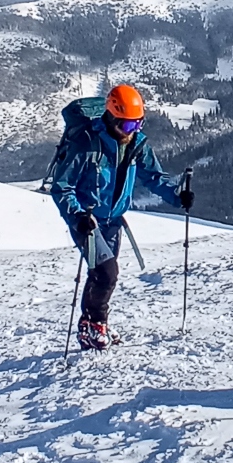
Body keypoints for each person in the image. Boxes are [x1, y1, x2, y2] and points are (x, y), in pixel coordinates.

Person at [48, 84, 190, 349]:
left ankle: (93, 325)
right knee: (106, 271)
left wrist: (177, 195)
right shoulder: (86, 144)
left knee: (102, 274)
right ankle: (93, 326)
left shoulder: (137, 143)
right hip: (87, 220)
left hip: (113, 220)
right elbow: (62, 187)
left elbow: (153, 176)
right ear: (112, 118)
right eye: (127, 126)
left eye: (138, 124)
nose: (132, 131)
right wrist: (77, 215)